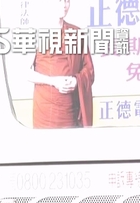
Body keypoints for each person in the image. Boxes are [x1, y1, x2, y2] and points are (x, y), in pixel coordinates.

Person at [25, 0, 95, 129]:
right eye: (59, 1)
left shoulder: (76, 33)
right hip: (46, 111)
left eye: (67, 1)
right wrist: (53, 81)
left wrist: (76, 80)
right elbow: (24, 72)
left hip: (70, 110)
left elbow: (89, 70)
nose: (64, 5)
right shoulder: (36, 32)